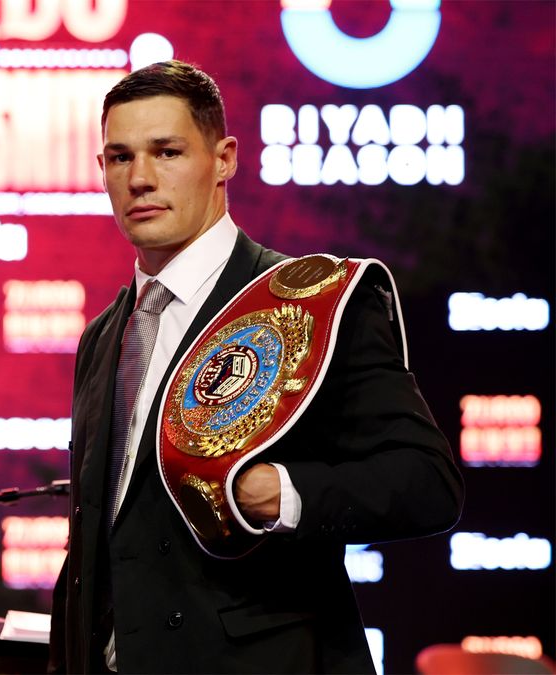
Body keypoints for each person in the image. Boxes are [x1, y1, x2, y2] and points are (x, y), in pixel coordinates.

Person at [49, 60, 464, 673]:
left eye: (167, 152)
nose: (140, 178)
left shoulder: (315, 302)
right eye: (119, 157)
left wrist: (285, 495)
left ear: (224, 160)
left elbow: (429, 484)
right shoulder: (102, 335)